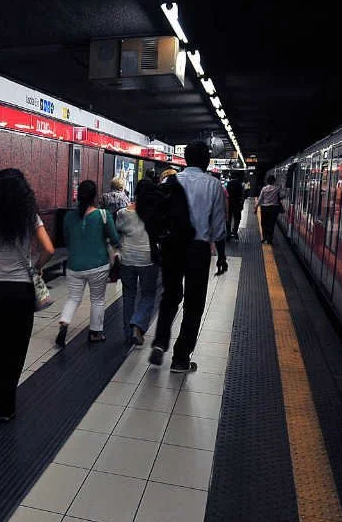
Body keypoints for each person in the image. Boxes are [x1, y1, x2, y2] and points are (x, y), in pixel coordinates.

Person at [0, 168, 54, 421]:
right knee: (15, 349)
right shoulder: (29, 216)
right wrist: (37, 266)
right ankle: (6, 406)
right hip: (21, 291)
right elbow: (49, 249)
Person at [148, 141, 227, 372]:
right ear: (207, 161)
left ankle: (160, 342)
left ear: (185, 159)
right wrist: (221, 256)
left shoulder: (171, 181)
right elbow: (218, 227)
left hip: (171, 246)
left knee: (170, 296)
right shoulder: (213, 185)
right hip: (197, 249)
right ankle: (181, 358)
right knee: (194, 302)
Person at [56, 179, 121, 347]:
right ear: (95, 196)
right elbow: (114, 238)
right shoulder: (103, 215)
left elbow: (66, 240)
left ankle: (64, 321)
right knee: (97, 299)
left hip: (74, 265)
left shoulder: (69, 216)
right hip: (98, 265)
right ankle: (95, 333)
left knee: (73, 298)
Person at [116, 179, 161, 346]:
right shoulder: (155, 212)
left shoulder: (123, 213)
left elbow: (117, 231)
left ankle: (128, 334)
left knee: (128, 295)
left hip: (127, 257)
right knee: (148, 294)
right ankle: (137, 323)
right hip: (148, 258)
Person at [258, 174, 283, 244]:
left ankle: (264, 238)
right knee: (271, 224)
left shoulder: (264, 189)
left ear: (267, 181)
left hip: (265, 208)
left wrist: (255, 207)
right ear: (274, 181)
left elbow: (260, 199)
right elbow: (283, 195)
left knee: (264, 223)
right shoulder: (277, 188)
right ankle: (269, 239)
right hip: (274, 209)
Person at [226, 170, 245, 239]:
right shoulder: (240, 184)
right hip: (237, 203)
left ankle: (228, 233)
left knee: (229, 218)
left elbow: (226, 194)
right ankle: (234, 232)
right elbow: (242, 195)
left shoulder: (228, 183)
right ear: (237, 176)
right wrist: (242, 204)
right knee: (237, 218)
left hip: (229, 203)